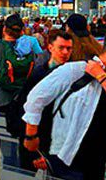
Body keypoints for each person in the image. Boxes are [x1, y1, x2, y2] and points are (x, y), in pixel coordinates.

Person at [22, 33, 106, 180]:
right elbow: (36, 98)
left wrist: (101, 76)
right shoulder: (75, 70)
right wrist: (31, 135)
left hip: (98, 159)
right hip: (67, 157)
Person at [13, 30, 73, 171]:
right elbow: (25, 108)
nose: (65, 52)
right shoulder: (38, 74)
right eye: (61, 48)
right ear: (50, 47)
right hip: (36, 137)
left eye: (69, 48)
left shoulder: (73, 74)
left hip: (58, 139)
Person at [0, 17, 37, 117]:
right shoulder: (29, 48)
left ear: (4, 29)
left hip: (0, 98)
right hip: (22, 99)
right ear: (21, 31)